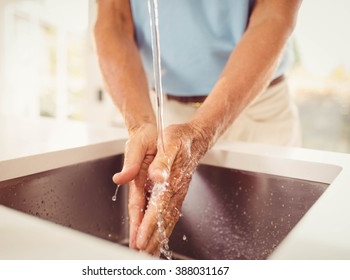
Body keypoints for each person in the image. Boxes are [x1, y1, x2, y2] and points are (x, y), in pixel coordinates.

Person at [94, 0, 303, 256]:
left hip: (256, 104)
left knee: (274, 249)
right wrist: (141, 125)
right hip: (166, 114)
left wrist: (202, 131)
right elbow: (114, 21)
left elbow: (274, 16)